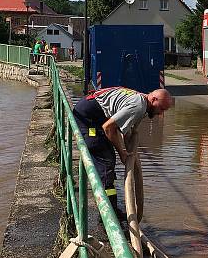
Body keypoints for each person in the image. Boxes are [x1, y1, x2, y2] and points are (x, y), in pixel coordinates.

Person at [72, 86, 174, 217]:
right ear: (154, 99)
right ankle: (107, 216)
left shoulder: (143, 100)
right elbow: (108, 128)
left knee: (108, 157)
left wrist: (128, 149)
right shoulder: (138, 107)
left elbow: (123, 127)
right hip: (88, 119)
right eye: (161, 108)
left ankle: (112, 209)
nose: (161, 113)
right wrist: (122, 153)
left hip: (96, 115)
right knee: (105, 162)